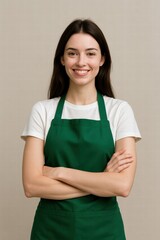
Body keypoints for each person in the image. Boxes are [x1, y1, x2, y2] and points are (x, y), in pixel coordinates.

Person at [21, 19, 141, 240]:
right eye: (73, 53)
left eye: (91, 53)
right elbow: (31, 185)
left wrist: (59, 172)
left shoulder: (120, 111)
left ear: (102, 59)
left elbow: (122, 185)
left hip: (105, 231)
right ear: (62, 59)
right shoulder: (42, 111)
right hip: (51, 231)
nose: (81, 62)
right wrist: (103, 180)